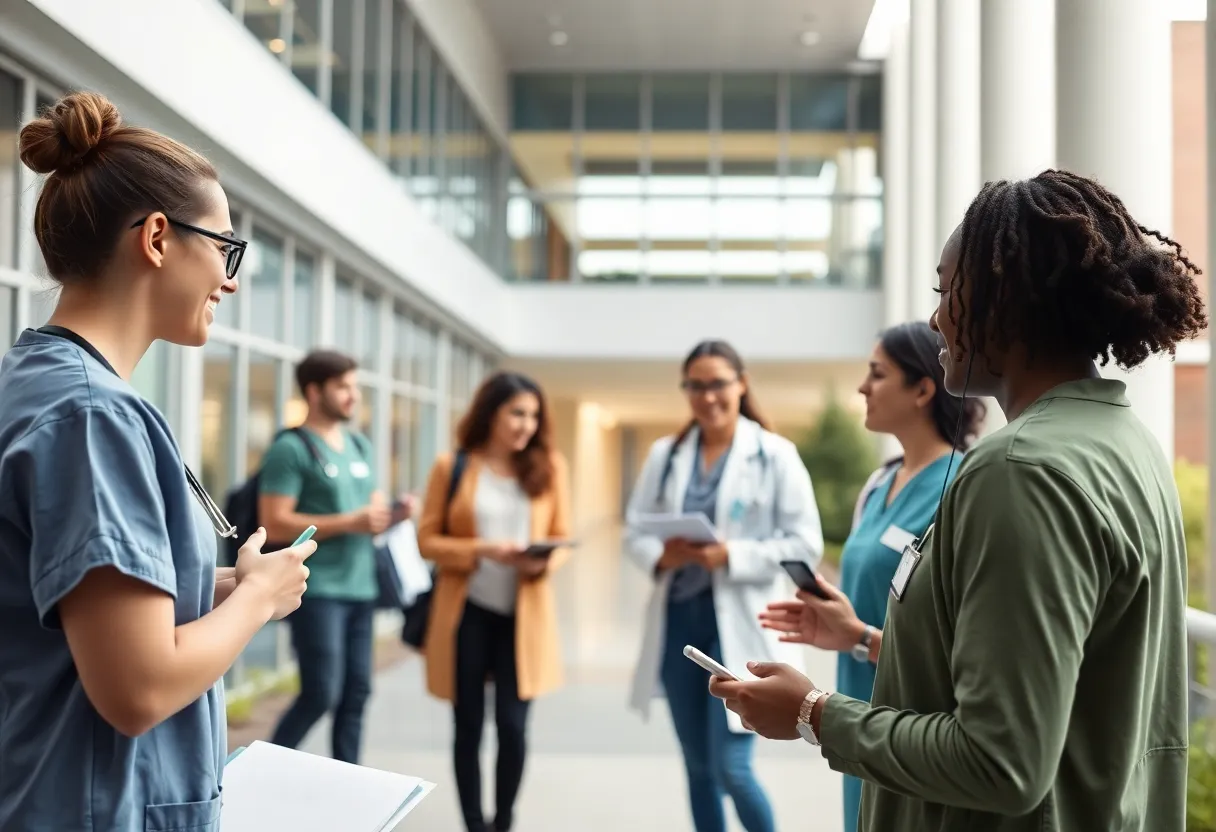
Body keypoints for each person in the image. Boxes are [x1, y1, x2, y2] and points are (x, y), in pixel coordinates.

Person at [710, 170, 1207, 832]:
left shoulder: (1021, 473)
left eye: (948, 291)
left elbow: (1002, 762)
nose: (939, 318)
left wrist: (814, 715)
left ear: (1007, 297)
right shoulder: (1126, 442)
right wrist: (860, 643)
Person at [0, 91, 315, 831]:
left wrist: (211, 585)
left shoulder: (39, 383)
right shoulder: (90, 415)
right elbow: (138, 687)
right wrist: (257, 602)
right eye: (226, 249)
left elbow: (70, 613)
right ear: (158, 238)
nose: (231, 281)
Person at [624, 339, 824, 832]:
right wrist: (660, 555)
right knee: (697, 768)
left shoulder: (775, 455)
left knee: (731, 767)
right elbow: (635, 530)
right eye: (695, 385)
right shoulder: (666, 454)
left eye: (717, 384)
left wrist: (730, 555)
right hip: (680, 625)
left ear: (741, 384)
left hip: (742, 626)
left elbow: (805, 544)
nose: (706, 396)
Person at [825, 321, 984, 832]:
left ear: (922, 388)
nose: (862, 388)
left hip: (914, 726)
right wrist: (833, 623)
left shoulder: (963, 488)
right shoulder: (878, 485)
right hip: (856, 704)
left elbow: (961, 644)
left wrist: (860, 638)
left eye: (877, 374)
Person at [416, 371, 571, 832]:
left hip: (524, 617)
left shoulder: (550, 467)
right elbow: (427, 540)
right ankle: (473, 824)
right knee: (467, 727)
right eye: (516, 413)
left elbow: (561, 537)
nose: (526, 425)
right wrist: (483, 549)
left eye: (533, 416)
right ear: (491, 413)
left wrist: (542, 563)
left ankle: (503, 822)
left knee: (513, 726)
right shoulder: (454, 466)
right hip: (468, 614)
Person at [260, 349, 413, 764]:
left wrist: (393, 513)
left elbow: (372, 513)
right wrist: (350, 521)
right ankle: (260, 770)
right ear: (314, 391)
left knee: (357, 692)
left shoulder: (358, 445)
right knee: (321, 692)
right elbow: (273, 522)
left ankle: (351, 782)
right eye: (343, 387)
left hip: (361, 587)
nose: (353, 396)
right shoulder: (291, 449)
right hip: (317, 589)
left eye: (355, 386)